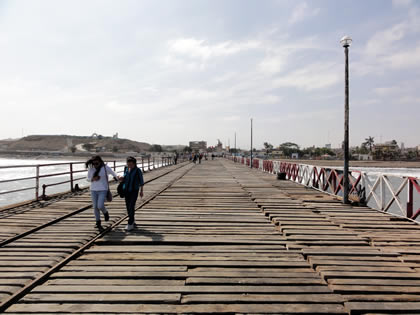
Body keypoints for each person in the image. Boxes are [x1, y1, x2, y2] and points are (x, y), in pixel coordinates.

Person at [86, 156, 118, 231]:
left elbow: (113, 173)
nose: (95, 165)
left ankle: (105, 212)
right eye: (93, 164)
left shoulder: (105, 167)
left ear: (100, 161)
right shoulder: (91, 168)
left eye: (96, 163)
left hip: (103, 189)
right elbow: (87, 178)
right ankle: (98, 222)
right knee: (95, 207)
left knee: (100, 205)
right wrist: (92, 179)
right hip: (93, 190)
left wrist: (118, 177)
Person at [120, 156, 144, 231]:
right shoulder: (126, 169)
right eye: (128, 164)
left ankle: (130, 223)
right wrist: (121, 178)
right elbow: (124, 177)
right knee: (128, 206)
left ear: (134, 164)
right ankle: (132, 220)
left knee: (131, 205)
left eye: (131, 164)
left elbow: (141, 182)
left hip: (134, 191)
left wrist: (141, 191)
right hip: (126, 190)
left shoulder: (138, 170)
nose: (129, 165)